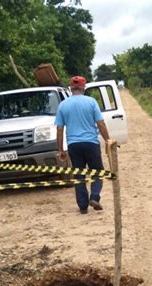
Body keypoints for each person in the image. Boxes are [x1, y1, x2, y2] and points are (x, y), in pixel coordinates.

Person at [55, 76, 111, 214]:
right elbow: (100, 123)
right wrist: (108, 140)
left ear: (70, 89)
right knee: (97, 172)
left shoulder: (63, 105)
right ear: (84, 88)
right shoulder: (91, 102)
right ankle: (94, 197)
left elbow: (59, 129)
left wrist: (60, 149)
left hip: (73, 145)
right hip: (91, 143)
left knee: (79, 175)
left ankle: (83, 207)